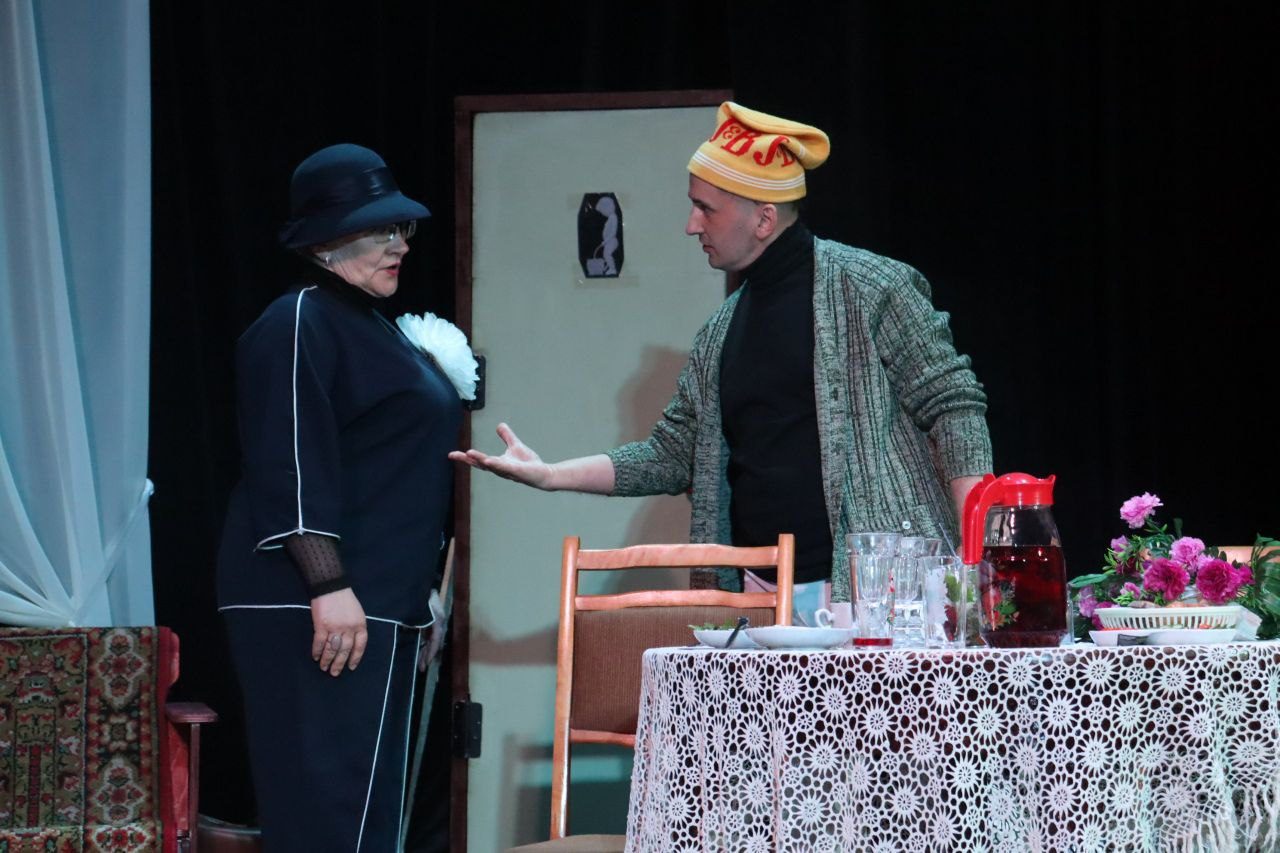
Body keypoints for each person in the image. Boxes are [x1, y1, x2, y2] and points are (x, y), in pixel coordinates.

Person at [451, 102, 992, 616]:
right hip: (756, 592)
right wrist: (550, 474)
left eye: (705, 208)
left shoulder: (870, 288)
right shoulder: (720, 330)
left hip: (871, 591)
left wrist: (979, 556)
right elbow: (671, 454)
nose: (691, 225)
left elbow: (954, 408)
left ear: (763, 219)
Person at [216, 143, 460, 851]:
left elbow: (392, 473)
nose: (400, 245)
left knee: (365, 816)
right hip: (315, 602)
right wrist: (328, 585)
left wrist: (418, 599)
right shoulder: (299, 319)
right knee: (329, 811)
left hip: (375, 601)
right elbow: (288, 458)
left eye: (401, 229)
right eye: (380, 230)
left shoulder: (368, 324)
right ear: (325, 241)